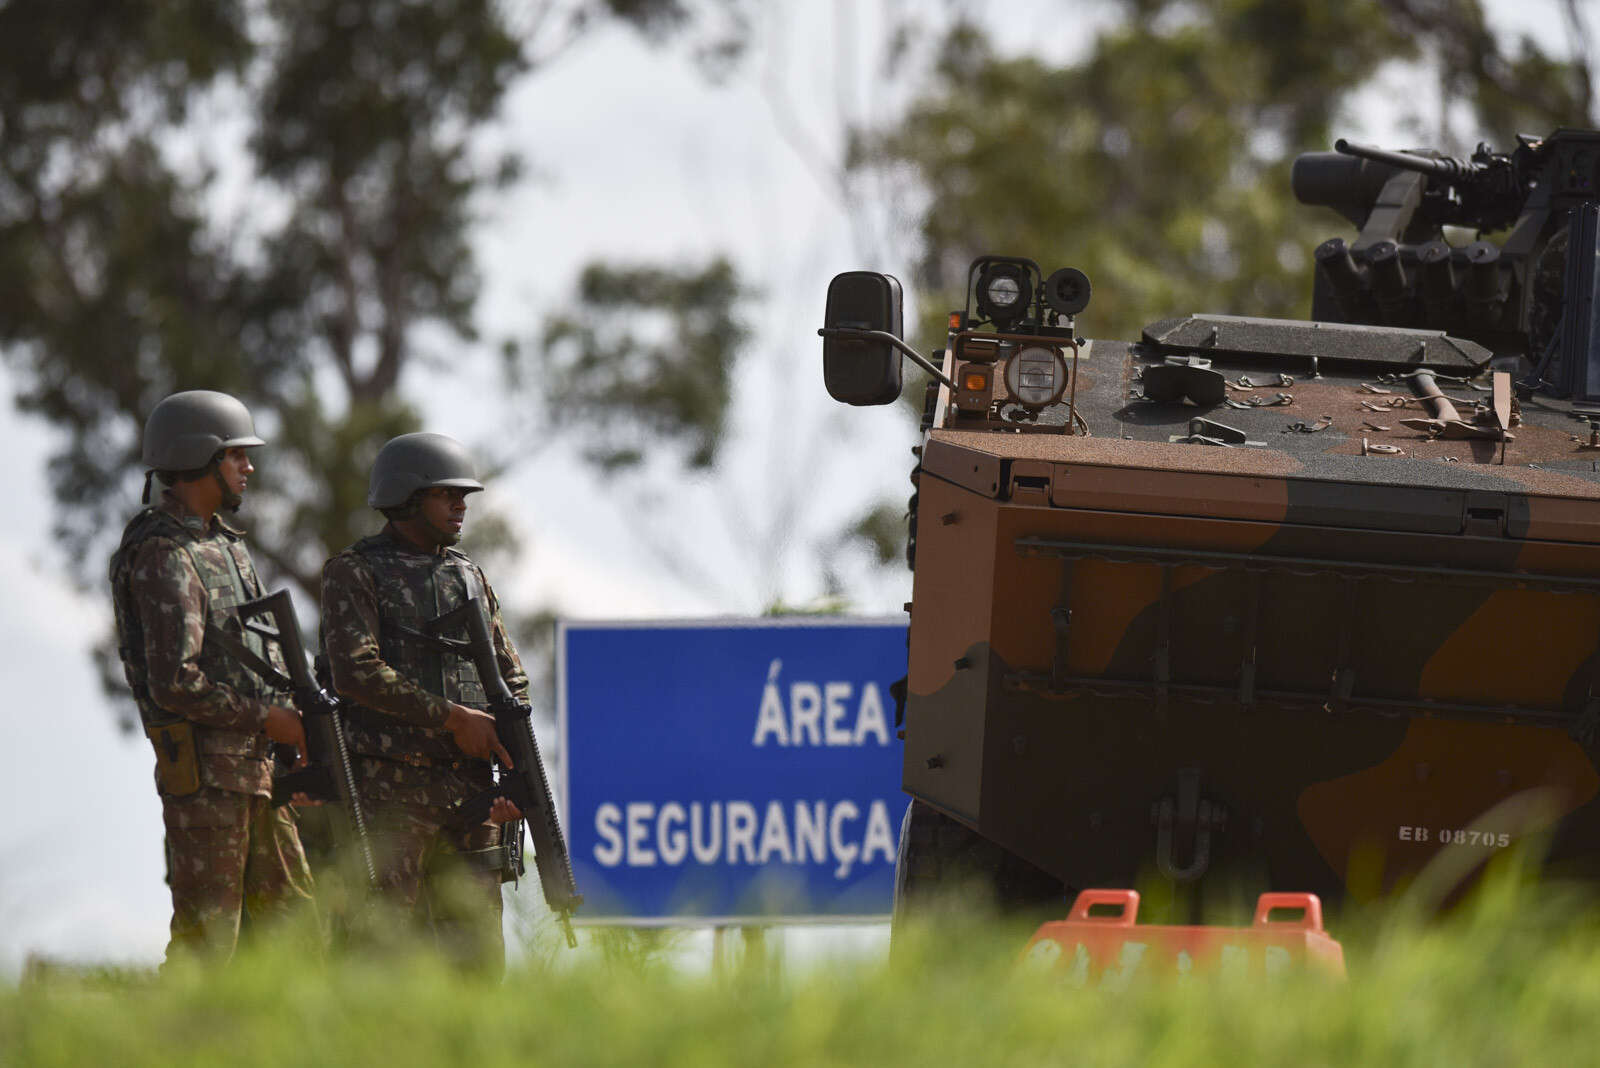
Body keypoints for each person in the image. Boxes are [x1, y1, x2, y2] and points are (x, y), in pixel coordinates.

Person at [109, 389, 316, 962]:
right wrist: (267, 718)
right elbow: (175, 681)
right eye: (236, 456)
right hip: (206, 780)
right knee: (208, 949)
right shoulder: (163, 552)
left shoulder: (226, 547)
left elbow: (253, 654)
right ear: (200, 458)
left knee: (297, 940)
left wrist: (289, 731)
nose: (249, 468)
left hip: (257, 773)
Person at [319, 432, 524, 971]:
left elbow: (511, 682)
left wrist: (514, 780)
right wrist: (452, 718)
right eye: (446, 495)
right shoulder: (356, 572)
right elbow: (355, 672)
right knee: (377, 959)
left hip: (472, 799)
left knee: (477, 965)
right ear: (408, 498)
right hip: (390, 796)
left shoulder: (469, 576)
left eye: (464, 497)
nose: (461, 507)